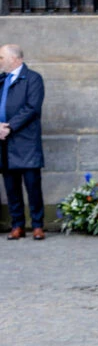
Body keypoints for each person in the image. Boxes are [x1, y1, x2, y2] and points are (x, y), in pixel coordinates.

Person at [0, 44, 46, 241]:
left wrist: (9, 127)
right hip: (4, 142)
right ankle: (17, 224)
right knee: (11, 187)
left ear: (15, 59)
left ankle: (37, 225)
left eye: (1, 57)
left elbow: (32, 107)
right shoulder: (2, 80)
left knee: (32, 186)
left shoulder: (33, 78)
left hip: (25, 141)